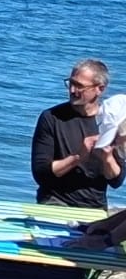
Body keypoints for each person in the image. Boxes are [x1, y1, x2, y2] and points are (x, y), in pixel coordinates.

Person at [31, 58, 122, 209]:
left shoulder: (111, 122)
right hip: (55, 201)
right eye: (71, 83)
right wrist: (78, 157)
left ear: (100, 89)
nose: (72, 90)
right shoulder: (52, 117)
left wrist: (107, 157)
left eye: (80, 86)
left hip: (95, 206)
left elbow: (116, 181)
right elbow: (41, 175)